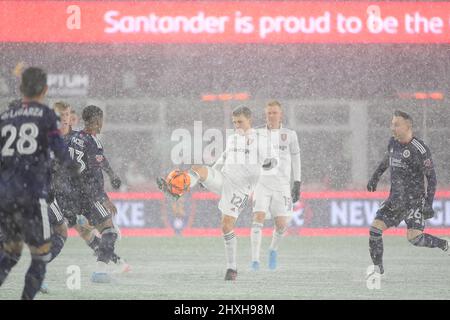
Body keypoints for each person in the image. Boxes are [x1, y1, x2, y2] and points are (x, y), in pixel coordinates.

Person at [158, 106, 278, 280]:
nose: (237, 125)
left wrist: (268, 164)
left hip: (241, 188)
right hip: (224, 178)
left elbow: (274, 160)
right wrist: (208, 177)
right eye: (234, 122)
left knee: (226, 226)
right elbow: (223, 158)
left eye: (240, 122)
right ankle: (176, 191)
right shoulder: (233, 139)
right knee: (199, 169)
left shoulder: (261, 139)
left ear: (249, 120)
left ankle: (232, 268)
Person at [0, 67, 76, 299]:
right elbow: (60, 150)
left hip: (6, 195)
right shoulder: (46, 115)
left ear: (21, 88)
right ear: (45, 90)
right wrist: (71, 167)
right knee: (41, 255)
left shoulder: (4, 118)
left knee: (11, 253)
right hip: (32, 195)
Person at [367, 110, 448, 276]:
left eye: (396, 124)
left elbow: (431, 178)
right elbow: (386, 160)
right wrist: (375, 177)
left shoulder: (420, 149)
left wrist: (428, 204)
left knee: (415, 239)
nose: (392, 128)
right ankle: (378, 269)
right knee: (375, 231)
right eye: (392, 124)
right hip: (395, 201)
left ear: (407, 126)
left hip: (414, 202)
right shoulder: (393, 143)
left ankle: (443, 244)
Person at [67, 105, 125, 283]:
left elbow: (99, 160)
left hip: (68, 192)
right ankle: (100, 272)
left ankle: (83, 221)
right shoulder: (93, 142)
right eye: (102, 119)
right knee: (110, 231)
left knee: (81, 232)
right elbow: (94, 176)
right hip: (87, 194)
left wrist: (112, 173)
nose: (102, 123)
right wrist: (105, 199)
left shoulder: (72, 137)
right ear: (98, 120)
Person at [250, 100, 301, 271]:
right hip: (261, 184)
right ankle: (255, 261)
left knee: (281, 225)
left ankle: (272, 250)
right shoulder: (256, 134)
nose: (271, 116)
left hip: (282, 186)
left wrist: (297, 182)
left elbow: (296, 158)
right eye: (268, 113)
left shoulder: (290, 135)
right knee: (258, 219)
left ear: (281, 114)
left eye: (274, 113)